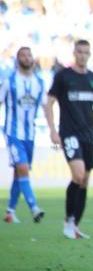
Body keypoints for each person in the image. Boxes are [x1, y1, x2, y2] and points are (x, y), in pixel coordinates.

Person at [44, 40, 93, 239]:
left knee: (85, 180)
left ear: (89, 54)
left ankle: (75, 225)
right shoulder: (63, 77)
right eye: (79, 52)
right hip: (70, 133)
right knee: (78, 175)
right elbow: (50, 103)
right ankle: (68, 221)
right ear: (74, 53)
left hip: (89, 134)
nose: (83, 55)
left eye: (86, 52)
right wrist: (53, 130)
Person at [0, 47, 46, 224]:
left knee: (19, 174)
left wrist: (52, 129)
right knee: (23, 169)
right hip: (13, 133)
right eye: (23, 55)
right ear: (18, 60)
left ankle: (10, 212)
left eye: (29, 55)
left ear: (33, 59)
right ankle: (34, 208)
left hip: (30, 135)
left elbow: (46, 107)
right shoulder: (9, 82)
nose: (26, 58)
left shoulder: (39, 82)